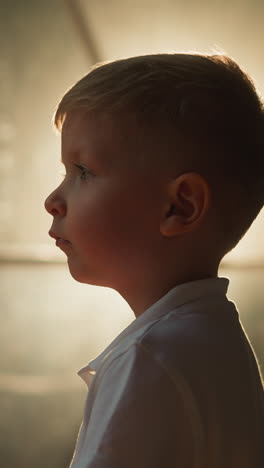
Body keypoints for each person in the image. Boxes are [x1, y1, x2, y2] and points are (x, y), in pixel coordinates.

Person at [44, 53, 264, 467]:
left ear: (179, 207)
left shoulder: (150, 358)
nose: (53, 201)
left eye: (83, 171)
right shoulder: (218, 345)